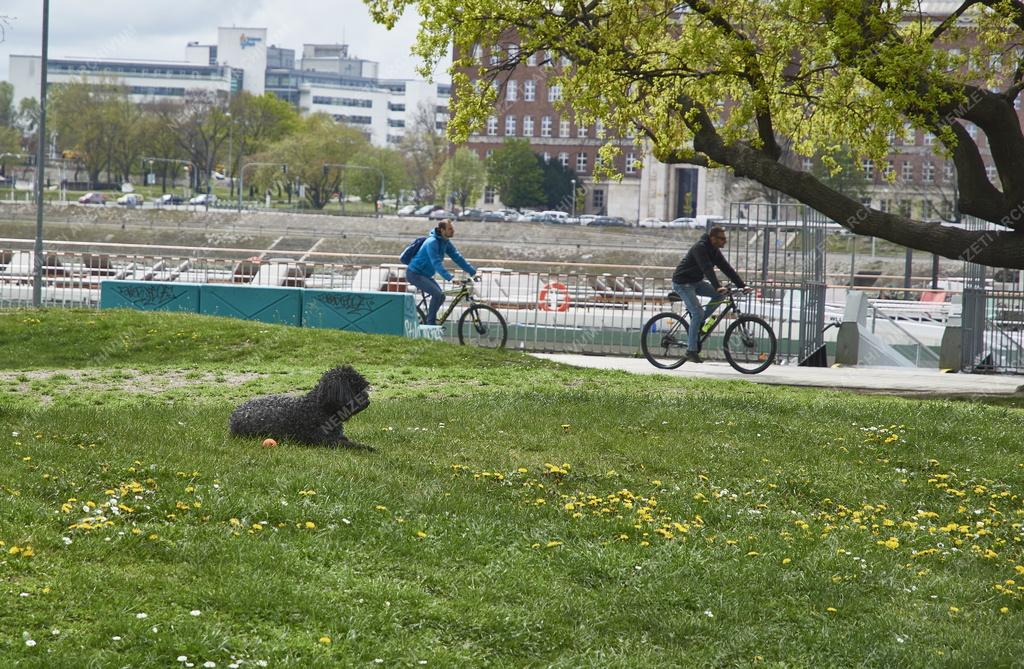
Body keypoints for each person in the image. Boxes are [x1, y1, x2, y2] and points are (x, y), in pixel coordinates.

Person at [671, 225, 749, 363]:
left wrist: (742, 285)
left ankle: (700, 322)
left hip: (696, 282)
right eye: (722, 239)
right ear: (713, 238)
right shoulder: (699, 248)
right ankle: (691, 350)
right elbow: (707, 268)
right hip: (682, 283)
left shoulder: (714, 250)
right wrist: (717, 286)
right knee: (698, 312)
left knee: (720, 296)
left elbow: (727, 269)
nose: (724, 241)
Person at [406, 219, 477, 324]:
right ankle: (430, 325)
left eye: (453, 228)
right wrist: (450, 277)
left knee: (441, 296)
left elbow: (457, 257)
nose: (453, 231)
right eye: (450, 229)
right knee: (437, 294)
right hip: (415, 273)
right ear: (442, 230)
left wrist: (472, 271)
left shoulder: (445, 242)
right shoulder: (432, 242)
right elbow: (436, 263)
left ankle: (427, 320)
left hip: (426, 275)